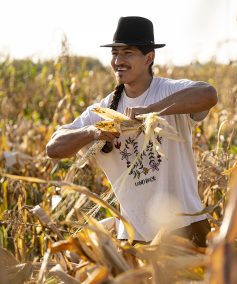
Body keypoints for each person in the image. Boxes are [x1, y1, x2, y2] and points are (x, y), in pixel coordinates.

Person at [46, 16, 217, 247]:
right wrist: (92, 131)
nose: (118, 60)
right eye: (115, 53)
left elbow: (208, 94)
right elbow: (54, 147)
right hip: (134, 238)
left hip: (186, 228)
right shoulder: (102, 111)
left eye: (128, 53)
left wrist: (150, 111)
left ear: (149, 58)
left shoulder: (168, 91)